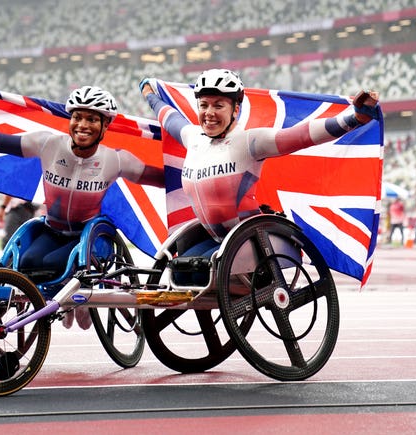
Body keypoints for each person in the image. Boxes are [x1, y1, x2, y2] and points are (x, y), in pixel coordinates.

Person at [0, 76, 163, 338]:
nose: (83, 125)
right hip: (50, 230)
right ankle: (50, 304)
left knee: (54, 265)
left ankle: (78, 296)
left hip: (88, 237)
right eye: (78, 117)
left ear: (105, 125)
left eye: (92, 119)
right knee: (28, 263)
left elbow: (166, 178)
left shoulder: (117, 160)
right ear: (70, 120)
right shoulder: (48, 144)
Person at [140, 69, 380, 283]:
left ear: (235, 109)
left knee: (200, 272)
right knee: (180, 273)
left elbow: (302, 135)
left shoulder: (250, 142)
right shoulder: (193, 138)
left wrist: (353, 119)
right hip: (214, 239)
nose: (209, 113)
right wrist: (149, 93)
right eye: (204, 105)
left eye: (218, 105)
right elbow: (169, 117)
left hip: (249, 241)